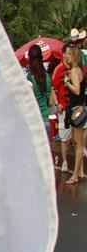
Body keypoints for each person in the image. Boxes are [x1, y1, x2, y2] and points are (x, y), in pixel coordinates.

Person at [66, 47, 86, 185]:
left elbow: (78, 90)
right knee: (76, 141)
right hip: (79, 109)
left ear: (73, 56)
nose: (66, 56)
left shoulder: (74, 71)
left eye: (68, 54)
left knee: (78, 144)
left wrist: (67, 82)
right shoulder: (79, 71)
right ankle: (80, 171)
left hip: (77, 110)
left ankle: (75, 176)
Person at [25, 44, 53, 134]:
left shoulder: (30, 77)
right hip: (47, 119)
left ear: (30, 58)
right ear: (41, 57)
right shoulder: (47, 76)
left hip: (36, 120)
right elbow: (50, 101)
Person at [53, 46, 72, 173]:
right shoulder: (59, 69)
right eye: (69, 53)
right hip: (63, 108)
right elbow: (53, 90)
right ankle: (65, 161)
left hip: (75, 108)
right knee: (64, 138)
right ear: (64, 54)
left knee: (77, 136)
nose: (71, 56)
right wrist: (57, 104)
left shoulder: (76, 68)